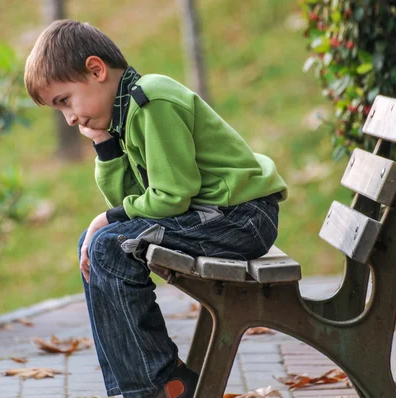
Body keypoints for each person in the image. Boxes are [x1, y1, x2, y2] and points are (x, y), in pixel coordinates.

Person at [24, 19, 288, 398]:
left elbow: (172, 196)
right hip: (216, 217)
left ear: (96, 70)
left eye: (64, 100)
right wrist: (106, 147)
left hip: (242, 218)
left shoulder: (151, 99)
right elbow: (133, 202)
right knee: (97, 242)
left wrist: (107, 219)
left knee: (108, 244)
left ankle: (159, 385)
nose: (68, 118)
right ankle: (138, 389)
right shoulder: (126, 112)